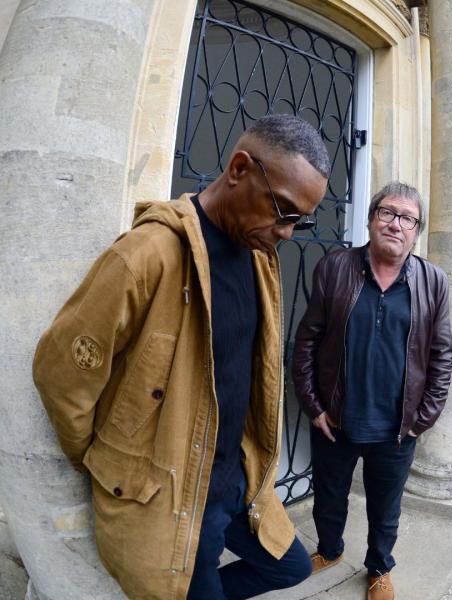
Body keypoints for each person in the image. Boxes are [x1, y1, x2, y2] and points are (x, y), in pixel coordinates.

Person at [32, 114, 330, 600]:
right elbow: (61, 371)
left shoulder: (260, 260)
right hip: (172, 497)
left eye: (301, 220)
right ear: (239, 169)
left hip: (237, 483)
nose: (288, 232)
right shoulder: (148, 253)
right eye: (283, 210)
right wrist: (101, 459)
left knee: (291, 568)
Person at [292, 182, 452, 600]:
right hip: (337, 419)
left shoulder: (432, 282)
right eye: (387, 213)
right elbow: (307, 340)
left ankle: (379, 568)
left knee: (386, 508)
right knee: (329, 497)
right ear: (370, 218)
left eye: (407, 218)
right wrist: (313, 408)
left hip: (397, 429)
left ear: (415, 231)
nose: (395, 224)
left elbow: (442, 355)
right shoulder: (335, 267)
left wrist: (423, 420)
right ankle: (329, 550)